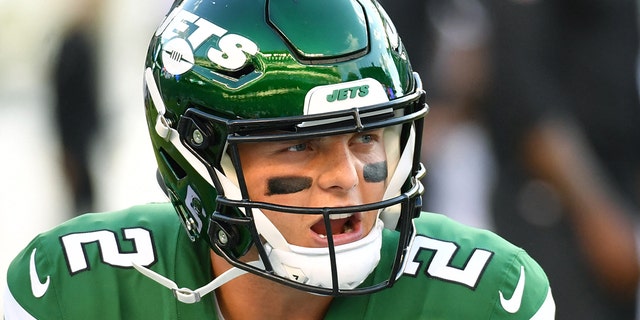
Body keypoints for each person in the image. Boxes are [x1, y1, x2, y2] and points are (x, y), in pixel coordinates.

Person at [4, 1, 555, 319]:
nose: (345, 177)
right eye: (298, 143)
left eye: (366, 137)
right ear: (195, 157)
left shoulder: (481, 297)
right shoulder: (84, 291)